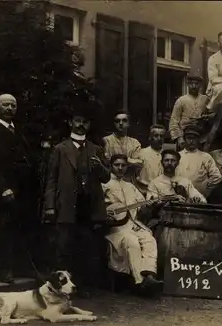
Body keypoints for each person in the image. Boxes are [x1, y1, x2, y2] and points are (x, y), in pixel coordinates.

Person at [43, 106, 110, 298]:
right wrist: (49, 206)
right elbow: (51, 180)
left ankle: (81, 287)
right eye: (78, 121)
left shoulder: (96, 149)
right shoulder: (60, 149)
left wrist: (99, 168)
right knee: (64, 247)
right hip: (67, 205)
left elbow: (106, 178)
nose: (81, 125)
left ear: (89, 126)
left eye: (85, 122)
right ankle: (60, 288)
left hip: (88, 207)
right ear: (71, 123)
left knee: (86, 248)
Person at [0, 94, 36, 284]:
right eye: (5, 105)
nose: (10, 108)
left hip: (21, 190)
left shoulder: (18, 131)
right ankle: (2, 271)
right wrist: (3, 188)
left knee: (19, 229)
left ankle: (19, 267)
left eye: (13, 105)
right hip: (2, 191)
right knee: (2, 230)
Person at [103, 154, 163, 296]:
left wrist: (151, 205)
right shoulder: (104, 185)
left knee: (149, 239)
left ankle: (149, 275)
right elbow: (99, 207)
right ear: (110, 167)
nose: (120, 168)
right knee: (132, 242)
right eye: (116, 165)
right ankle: (140, 282)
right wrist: (106, 213)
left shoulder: (130, 186)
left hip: (134, 225)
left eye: (123, 165)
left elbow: (142, 206)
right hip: (115, 228)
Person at [176, 125, 222, 199]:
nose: (191, 141)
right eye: (189, 138)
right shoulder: (177, 156)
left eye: (194, 138)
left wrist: (205, 189)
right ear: (184, 139)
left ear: (198, 140)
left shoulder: (205, 157)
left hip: (199, 198)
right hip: (180, 197)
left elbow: (217, 177)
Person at [169, 75, 208, 150]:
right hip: (185, 135)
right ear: (187, 84)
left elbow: (211, 116)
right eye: (191, 84)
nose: (194, 86)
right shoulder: (181, 100)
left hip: (201, 137)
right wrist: (179, 138)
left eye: (196, 84)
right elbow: (173, 121)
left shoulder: (205, 99)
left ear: (200, 85)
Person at [103, 111, 143, 181]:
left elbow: (139, 163)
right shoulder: (106, 141)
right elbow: (106, 161)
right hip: (110, 180)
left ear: (128, 124)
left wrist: (118, 159)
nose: (121, 123)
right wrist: (129, 161)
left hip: (129, 181)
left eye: (124, 120)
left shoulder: (134, 143)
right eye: (117, 121)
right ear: (114, 124)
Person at [135, 124, 166, 195]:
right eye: (156, 136)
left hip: (163, 193)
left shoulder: (167, 155)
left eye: (161, 136)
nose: (159, 138)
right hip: (144, 192)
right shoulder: (141, 153)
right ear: (150, 137)